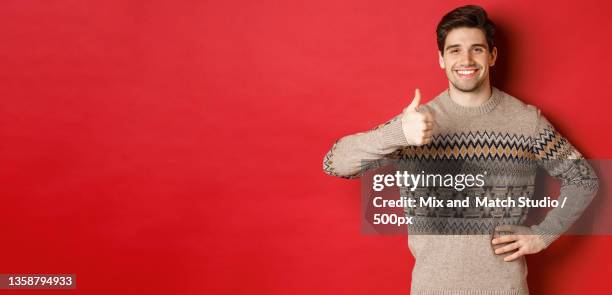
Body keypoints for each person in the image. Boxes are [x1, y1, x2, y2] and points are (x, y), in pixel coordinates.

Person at [322, 5, 599, 295]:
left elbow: (583, 179)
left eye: (476, 49)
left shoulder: (525, 121)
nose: (466, 59)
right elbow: (334, 163)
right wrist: (399, 133)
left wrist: (544, 234)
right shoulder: (415, 124)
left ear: (492, 56)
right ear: (441, 59)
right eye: (454, 50)